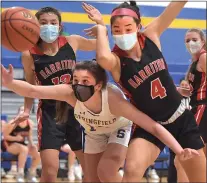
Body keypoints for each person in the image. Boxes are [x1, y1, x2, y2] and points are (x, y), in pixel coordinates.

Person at [1, 60, 201, 182]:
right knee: (91, 178)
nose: (78, 85)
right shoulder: (69, 93)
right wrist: (10, 83)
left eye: (85, 81)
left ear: (98, 86)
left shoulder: (112, 100)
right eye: (75, 80)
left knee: (106, 170)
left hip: (118, 127)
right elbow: (33, 90)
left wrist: (179, 149)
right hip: (94, 132)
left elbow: (154, 126)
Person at [83, 1, 206, 182]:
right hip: (149, 124)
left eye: (128, 28)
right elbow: (101, 57)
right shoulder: (117, 61)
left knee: (199, 178)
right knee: (132, 169)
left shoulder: (150, 35)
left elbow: (175, 6)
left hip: (181, 118)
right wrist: (101, 28)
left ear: (138, 26)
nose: (122, 34)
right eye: (116, 30)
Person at [11, 6, 104, 182]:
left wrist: (100, 24)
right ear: (36, 26)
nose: (49, 26)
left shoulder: (72, 42)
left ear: (60, 26)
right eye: (43, 22)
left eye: (53, 23)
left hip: (78, 110)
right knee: (50, 171)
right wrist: (26, 109)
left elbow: (101, 44)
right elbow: (30, 84)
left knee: (91, 170)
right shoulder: (29, 53)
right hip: (49, 112)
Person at [175, 28, 206, 182]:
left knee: (184, 158)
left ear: (203, 41)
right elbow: (190, 92)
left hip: (202, 108)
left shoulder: (204, 58)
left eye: (194, 39)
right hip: (196, 107)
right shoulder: (194, 63)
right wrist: (182, 90)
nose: (190, 43)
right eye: (187, 40)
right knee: (189, 158)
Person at [2, 106, 40, 182]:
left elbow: (29, 136)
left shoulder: (30, 123)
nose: (23, 112)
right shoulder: (12, 123)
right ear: (18, 113)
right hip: (9, 145)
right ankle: (20, 174)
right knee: (24, 149)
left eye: (25, 110)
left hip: (22, 145)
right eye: (21, 110)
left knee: (37, 152)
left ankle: (31, 173)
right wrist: (16, 138)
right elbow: (5, 136)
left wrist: (32, 145)